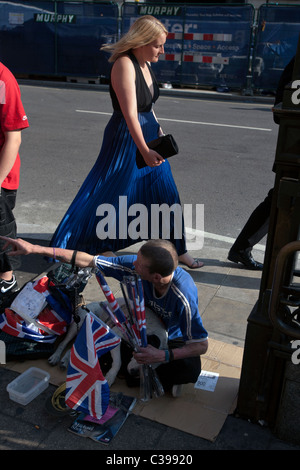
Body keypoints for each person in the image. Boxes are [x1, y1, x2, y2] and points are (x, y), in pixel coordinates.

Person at [49, 15, 203, 270]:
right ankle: (88, 242)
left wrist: (159, 133)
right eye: (157, 45)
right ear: (140, 41)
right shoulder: (124, 64)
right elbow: (130, 113)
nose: (162, 51)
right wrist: (144, 149)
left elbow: (148, 108)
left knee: (166, 192)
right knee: (109, 192)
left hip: (149, 134)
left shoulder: (145, 64)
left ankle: (179, 249)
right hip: (125, 138)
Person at [1, 236, 208, 395]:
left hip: (168, 339)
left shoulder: (183, 296)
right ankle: (140, 374)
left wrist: (162, 355)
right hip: (136, 330)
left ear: (155, 277)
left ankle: (147, 372)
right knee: (104, 350)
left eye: (138, 264)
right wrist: (34, 249)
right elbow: (87, 260)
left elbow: (201, 345)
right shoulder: (135, 267)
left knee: (190, 369)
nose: (133, 265)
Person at [227, 56, 295, 270]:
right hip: (294, 148)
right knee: (281, 197)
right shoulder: (297, 64)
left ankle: (280, 257)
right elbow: (280, 109)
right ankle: (247, 249)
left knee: (280, 198)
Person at [0, 62, 29, 299]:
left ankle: (6, 286)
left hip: (1, 179)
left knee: (2, 236)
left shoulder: (2, 79)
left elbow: (13, 139)